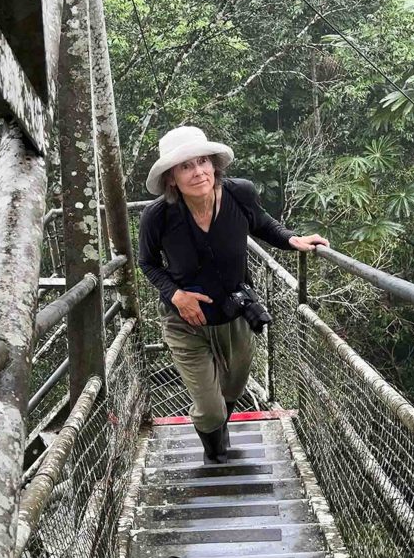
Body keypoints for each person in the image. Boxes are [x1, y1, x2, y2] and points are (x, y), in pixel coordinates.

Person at [138, 126, 328, 463]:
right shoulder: (158, 216)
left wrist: (293, 239)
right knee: (209, 410)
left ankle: (219, 429)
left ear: (214, 165)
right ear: (171, 178)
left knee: (233, 388)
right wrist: (177, 295)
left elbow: (264, 224)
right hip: (186, 322)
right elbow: (148, 263)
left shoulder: (240, 194)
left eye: (203, 162)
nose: (198, 172)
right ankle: (216, 454)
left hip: (235, 314)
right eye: (186, 167)